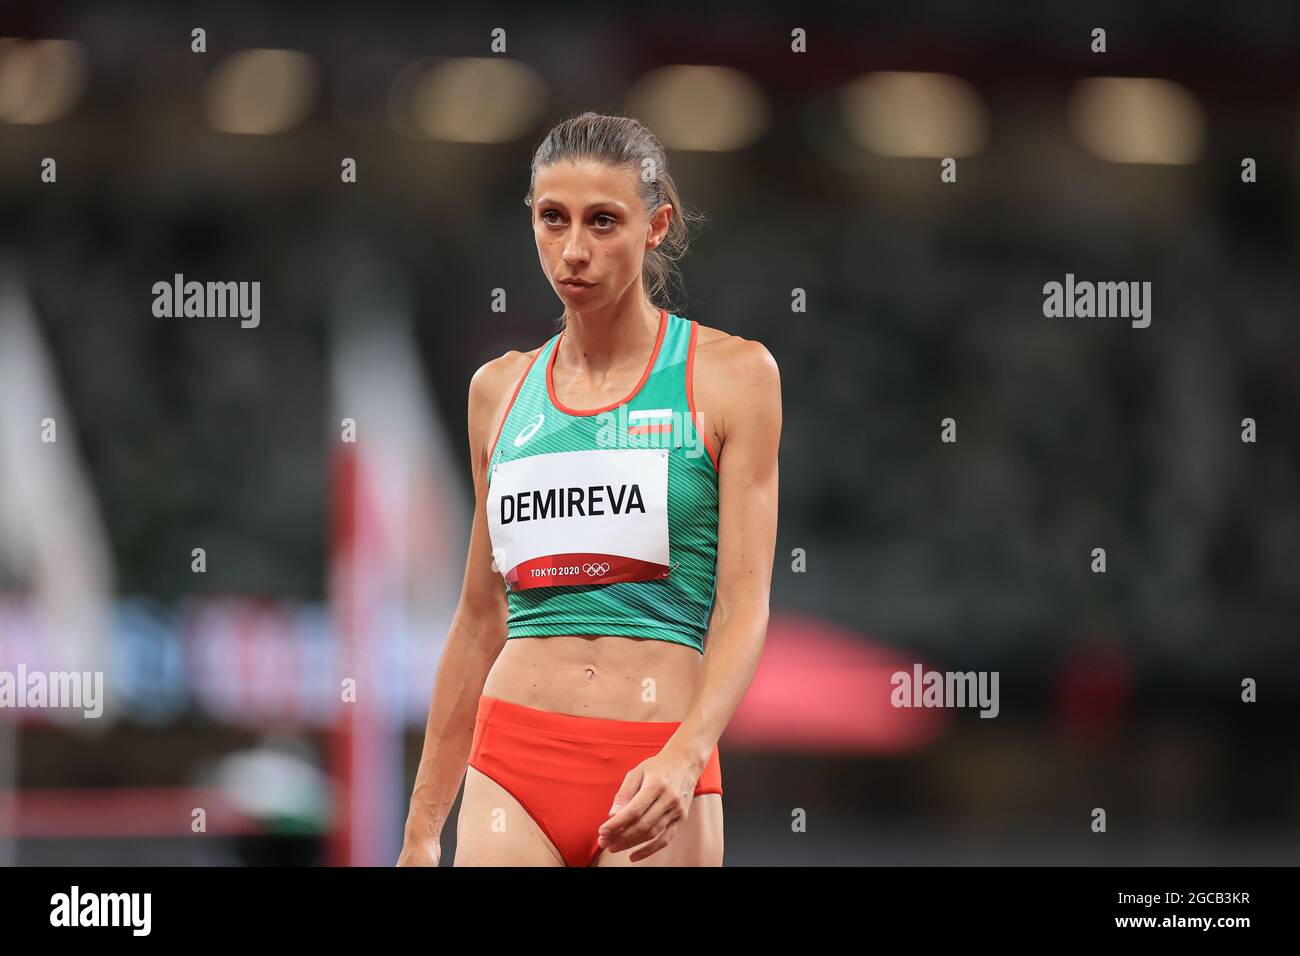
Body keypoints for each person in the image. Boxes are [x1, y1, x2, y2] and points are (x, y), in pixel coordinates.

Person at [397, 112, 780, 867]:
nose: (574, 250)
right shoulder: (499, 392)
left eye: (604, 221)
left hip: (656, 761)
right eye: (553, 219)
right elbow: (479, 620)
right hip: (513, 760)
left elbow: (743, 606)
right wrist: (419, 829)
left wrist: (687, 753)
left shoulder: (733, 378)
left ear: (656, 225)